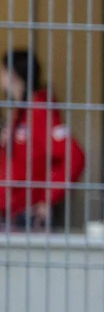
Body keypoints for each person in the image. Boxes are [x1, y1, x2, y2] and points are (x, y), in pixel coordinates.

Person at [3, 48, 87, 231]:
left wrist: (48, 198)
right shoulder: (22, 111)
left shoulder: (39, 110)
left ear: (13, 74)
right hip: (13, 210)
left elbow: (74, 156)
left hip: (26, 213)